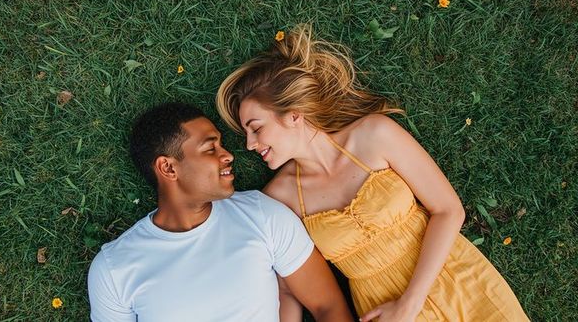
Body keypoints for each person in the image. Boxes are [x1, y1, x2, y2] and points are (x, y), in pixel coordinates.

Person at [216, 24, 530, 322]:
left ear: (294, 115)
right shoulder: (280, 198)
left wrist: (410, 304)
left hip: (458, 278)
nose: (250, 144)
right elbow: (288, 288)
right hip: (378, 309)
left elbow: (448, 210)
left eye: (256, 129)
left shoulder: (373, 136)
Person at [87, 102, 352, 322]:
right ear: (168, 168)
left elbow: (328, 306)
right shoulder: (114, 269)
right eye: (210, 148)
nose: (228, 156)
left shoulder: (262, 214)